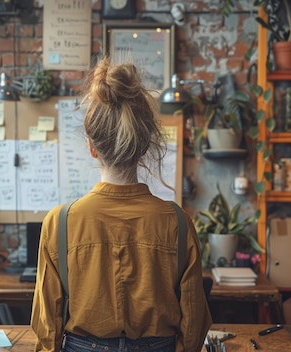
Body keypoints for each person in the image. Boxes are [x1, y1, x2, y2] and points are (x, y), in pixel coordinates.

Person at [30, 57, 212, 352]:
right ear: (144, 145)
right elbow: (194, 323)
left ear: (91, 147)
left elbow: (47, 327)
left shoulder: (59, 222)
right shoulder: (177, 223)